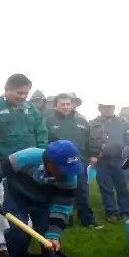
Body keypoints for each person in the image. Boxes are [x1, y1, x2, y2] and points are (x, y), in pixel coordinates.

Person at [0, 74, 49, 257]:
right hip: (1, 164)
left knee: (25, 204)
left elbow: (42, 133)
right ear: (7, 89)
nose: (23, 96)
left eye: (26, 93)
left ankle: (20, 244)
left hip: (29, 167)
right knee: (2, 205)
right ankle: (3, 246)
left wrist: (42, 155)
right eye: (19, 92)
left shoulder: (31, 109)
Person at [48, 93, 101, 228]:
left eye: (68, 104)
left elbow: (90, 140)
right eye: (62, 104)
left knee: (82, 192)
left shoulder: (82, 122)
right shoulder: (48, 121)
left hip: (79, 163)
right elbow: (43, 142)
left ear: (72, 105)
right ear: (56, 105)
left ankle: (87, 220)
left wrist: (94, 154)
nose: (66, 107)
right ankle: (65, 221)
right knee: (62, 193)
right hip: (59, 165)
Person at [91, 103, 129, 221]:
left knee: (123, 187)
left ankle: (125, 212)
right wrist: (96, 152)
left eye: (110, 107)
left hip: (121, 160)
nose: (108, 109)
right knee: (106, 188)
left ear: (114, 108)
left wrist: (127, 151)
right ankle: (111, 212)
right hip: (102, 161)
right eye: (105, 107)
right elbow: (91, 140)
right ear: (100, 109)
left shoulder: (122, 122)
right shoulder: (94, 123)